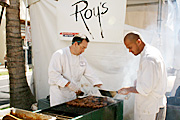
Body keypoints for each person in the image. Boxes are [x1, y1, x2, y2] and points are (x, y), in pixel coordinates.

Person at [118, 31, 167, 120]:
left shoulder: (148, 58)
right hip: (154, 105)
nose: (129, 51)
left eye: (130, 47)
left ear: (138, 42)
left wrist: (128, 89)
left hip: (150, 109)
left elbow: (145, 89)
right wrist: (139, 81)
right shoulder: (151, 51)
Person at [48, 34, 103, 107]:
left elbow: (91, 75)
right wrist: (69, 84)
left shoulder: (82, 59)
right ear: (75, 44)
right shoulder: (59, 54)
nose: (83, 51)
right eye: (82, 48)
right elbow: (53, 75)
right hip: (59, 96)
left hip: (72, 96)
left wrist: (101, 87)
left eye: (85, 49)